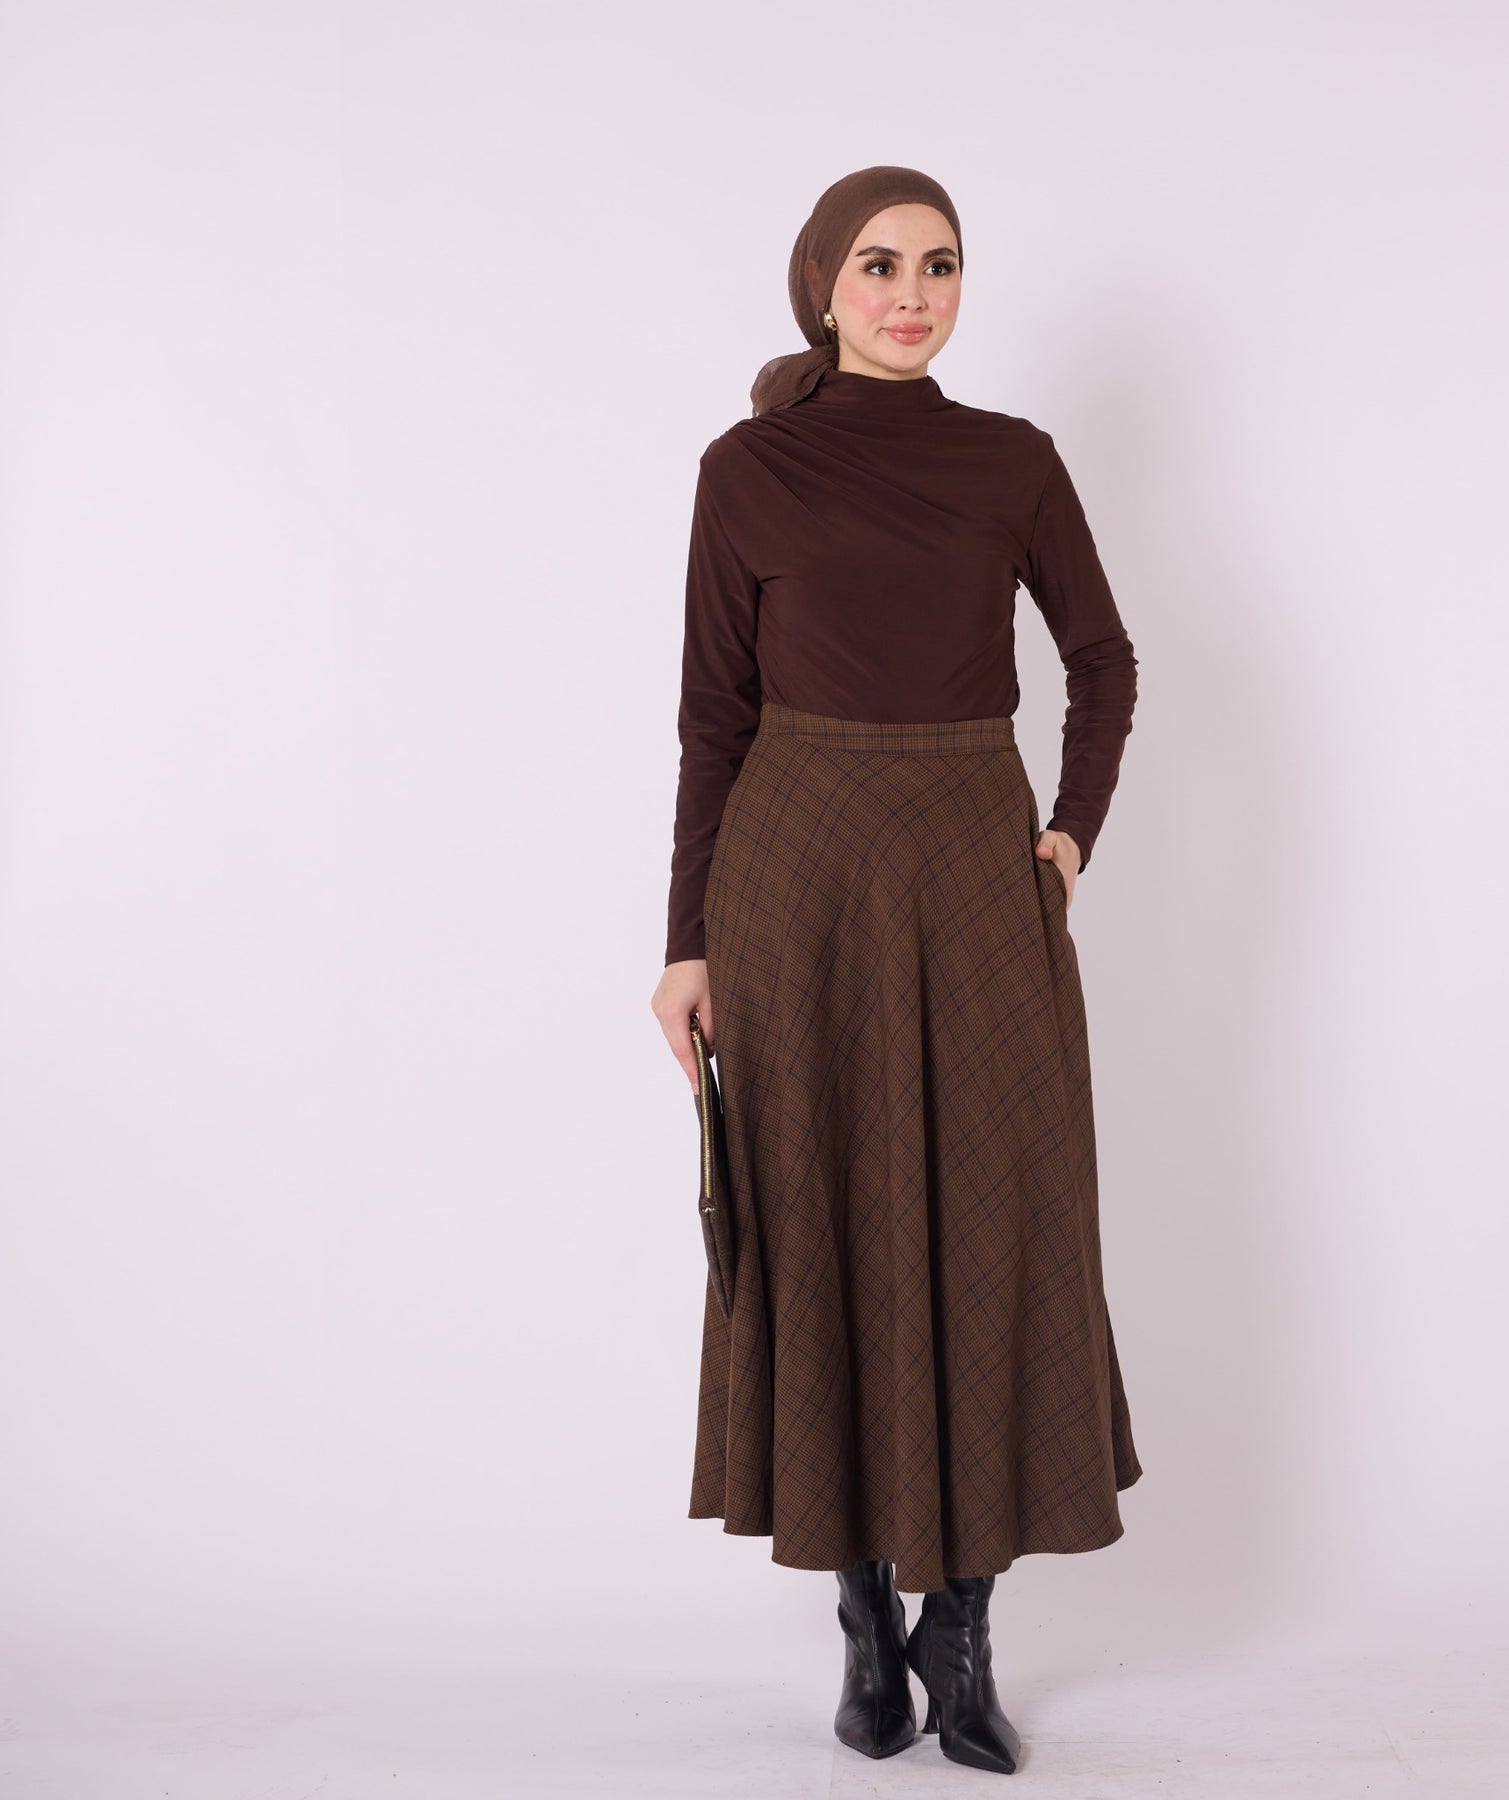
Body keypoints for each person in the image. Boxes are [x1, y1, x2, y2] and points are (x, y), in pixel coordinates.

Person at [649, 165, 1144, 1776]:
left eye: (938, 265)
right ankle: (865, 1615)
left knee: (998, 1220)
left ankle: (965, 1629)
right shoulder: (747, 470)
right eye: (878, 266)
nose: (911, 295)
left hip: (973, 872)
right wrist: (686, 940)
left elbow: (1102, 658)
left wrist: (1067, 836)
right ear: (823, 284)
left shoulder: (1012, 459)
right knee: (823, 1220)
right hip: (792, 872)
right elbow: (713, 717)